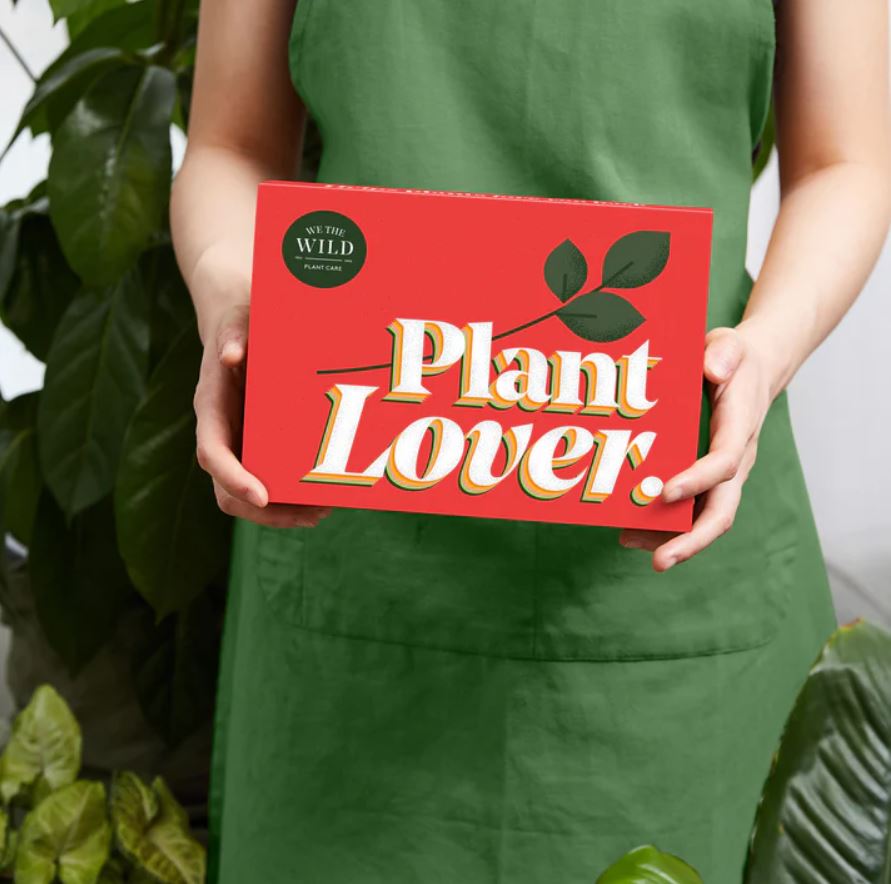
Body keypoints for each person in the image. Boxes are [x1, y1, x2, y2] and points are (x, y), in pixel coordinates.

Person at [169, 1, 891, 881]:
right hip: (360, 540)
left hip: (672, 525)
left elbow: (843, 161)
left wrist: (765, 349)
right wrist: (230, 298)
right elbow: (229, 144)